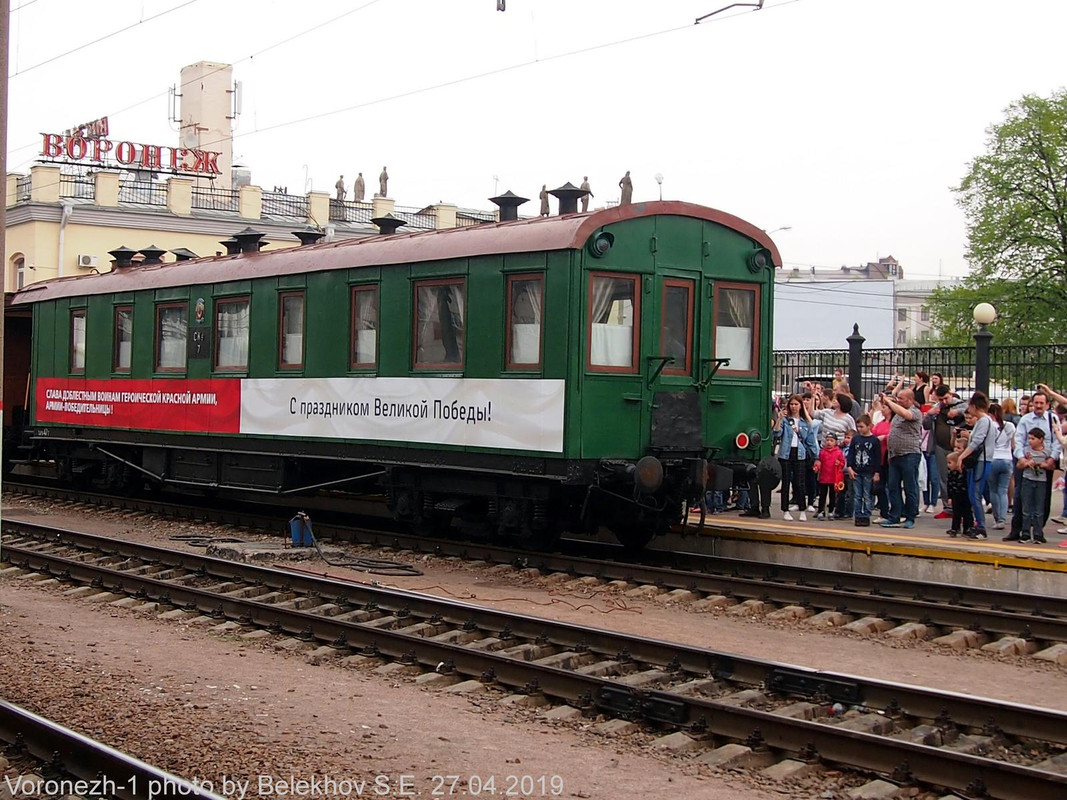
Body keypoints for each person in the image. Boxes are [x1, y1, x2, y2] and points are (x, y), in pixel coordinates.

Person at [1005, 390, 1061, 541]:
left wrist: (1052, 459)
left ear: (1047, 405)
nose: (1038, 406)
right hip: (1026, 461)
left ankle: (1038, 531)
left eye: (1041, 403)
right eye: (1036, 403)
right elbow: (1019, 439)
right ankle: (1017, 530)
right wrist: (1021, 458)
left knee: (1043, 498)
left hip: (1045, 462)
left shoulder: (1052, 418)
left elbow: (1056, 441)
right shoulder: (1026, 419)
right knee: (1020, 496)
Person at [880, 388, 923, 529]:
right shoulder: (897, 414)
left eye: (902, 398)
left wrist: (890, 402)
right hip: (895, 455)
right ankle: (895, 516)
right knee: (893, 487)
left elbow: (905, 414)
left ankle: (910, 516)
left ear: (910, 400)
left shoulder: (914, 412)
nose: (898, 400)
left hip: (909, 454)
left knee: (910, 487)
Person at [955, 392, 995, 539]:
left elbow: (977, 441)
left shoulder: (984, 421)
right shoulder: (985, 421)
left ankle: (981, 526)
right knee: (974, 493)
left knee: (975, 493)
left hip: (982, 461)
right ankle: (977, 525)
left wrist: (962, 456)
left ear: (974, 406)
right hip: (982, 460)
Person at [773, 394, 817, 522]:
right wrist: (779, 419)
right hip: (786, 453)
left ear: (800, 406)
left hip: (800, 453)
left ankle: (802, 509)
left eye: (796, 404)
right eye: (791, 404)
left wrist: (816, 456)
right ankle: (785, 509)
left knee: (800, 482)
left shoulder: (805, 422)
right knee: (786, 482)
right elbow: (776, 433)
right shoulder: (786, 421)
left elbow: (810, 441)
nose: (793, 407)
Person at [1018, 428, 1054, 544]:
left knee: (1039, 509)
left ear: (1041, 439)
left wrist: (1044, 465)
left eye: (1033, 439)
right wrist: (1026, 463)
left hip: (1041, 481)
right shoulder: (1025, 450)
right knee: (1026, 509)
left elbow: (1051, 466)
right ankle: (1025, 533)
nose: (1030, 441)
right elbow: (1019, 465)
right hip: (1027, 480)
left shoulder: (1047, 452)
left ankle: (1038, 534)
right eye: (1029, 438)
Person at [848, 415, 881, 526]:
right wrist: (850, 467)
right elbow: (851, 453)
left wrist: (877, 472)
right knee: (857, 495)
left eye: (862, 427)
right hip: (857, 470)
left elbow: (877, 457)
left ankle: (866, 514)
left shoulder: (874, 441)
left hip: (868, 471)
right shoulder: (856, 439)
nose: (859, 429)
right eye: (858, 427)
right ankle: (857, 514)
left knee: (867, 495)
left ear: (869, 426)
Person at [987, 403, 1015, 530]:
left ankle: (997, 518)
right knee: (1003, 491)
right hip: (1007, 459)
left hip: (993, 458)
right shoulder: (1010, 426)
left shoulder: (989, 426)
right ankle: (1003, 518)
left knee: (993, 490)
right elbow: (1013, 444)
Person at [945, 432, 974, 537]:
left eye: (959, 448)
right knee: (956, 512)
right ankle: (955, 528)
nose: (956, 450)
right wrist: (949, 497)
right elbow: (949, 484)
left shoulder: (966, 470)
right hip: (956, 494)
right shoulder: (952, 473)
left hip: (965, 494)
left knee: (967, 512)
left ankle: (968, 528)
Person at [813, 433, 846, 520]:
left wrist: (839, 464)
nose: (829, 442)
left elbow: (842, 463)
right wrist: (817, 466)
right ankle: (821, 511)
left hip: (833, 478)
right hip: (823, 477)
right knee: (822, 495)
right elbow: (819, 461)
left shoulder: (838, 452)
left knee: (832, 496)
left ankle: (831, 511)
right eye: (827, 440)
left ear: (836, 442)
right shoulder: (822, 452)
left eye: (831, 441)